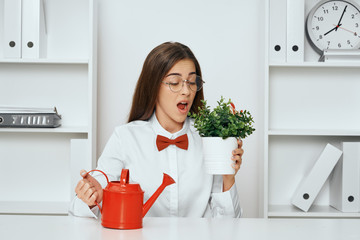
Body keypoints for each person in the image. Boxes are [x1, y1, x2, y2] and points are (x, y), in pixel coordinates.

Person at [69, 41, 243, 218]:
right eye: (175, 82)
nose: (186, 91)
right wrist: (91, 197)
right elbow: (83, 213)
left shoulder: (209, 139)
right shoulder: (125, 138)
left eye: (191, 82)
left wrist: (228, 177)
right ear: (153, 86)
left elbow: (228, 225)